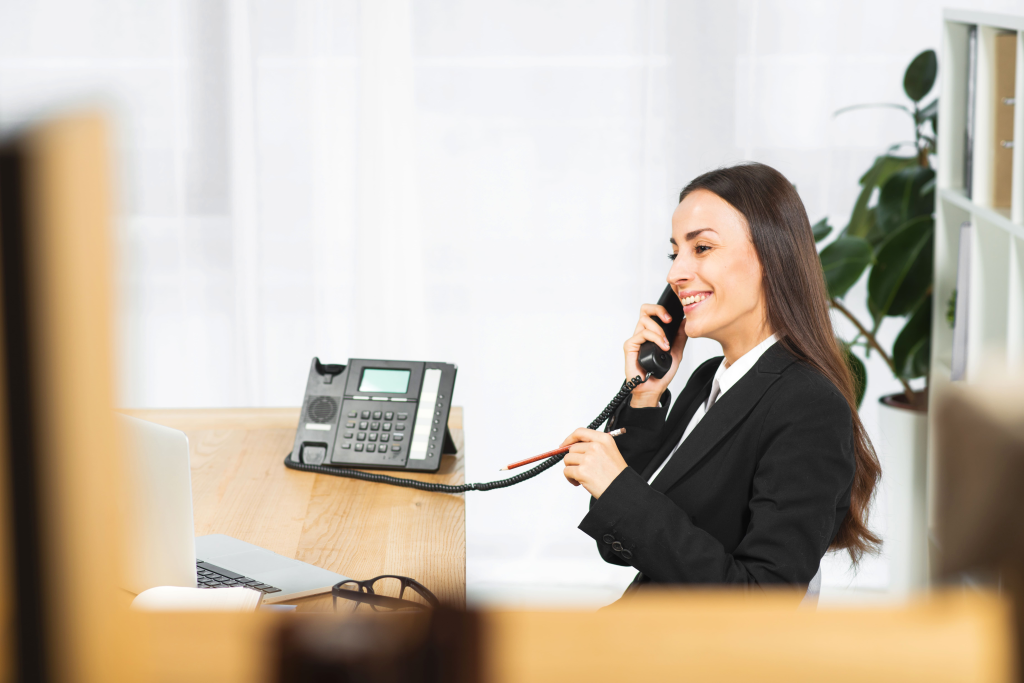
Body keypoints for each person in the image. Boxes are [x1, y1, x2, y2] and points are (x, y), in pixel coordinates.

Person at [560, 162, 881, 593]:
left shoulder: (808, 405)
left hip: (694, 656)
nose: (675, 274)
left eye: (703, 249)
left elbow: (760, 600)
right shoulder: (710, 380)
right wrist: (645, 396)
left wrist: (617, 488)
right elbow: (619, 546)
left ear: (772, 255)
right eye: (675, 253)